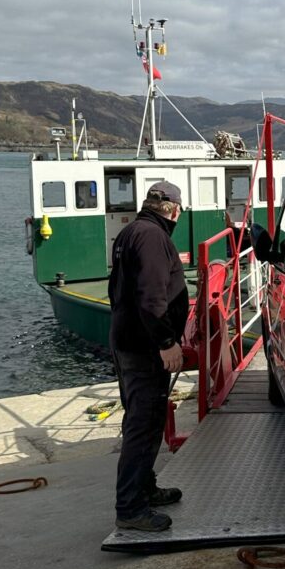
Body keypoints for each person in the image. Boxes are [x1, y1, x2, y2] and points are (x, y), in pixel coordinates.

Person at [108, 181, 189, 531]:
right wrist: (167, 342)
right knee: (145, 424)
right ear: (171, 208)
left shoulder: (130, 233)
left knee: (139, 419)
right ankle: (130, 508)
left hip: (126, 341)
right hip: (144, 348)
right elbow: (152, 297)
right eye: (180, 210)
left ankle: (145, 486)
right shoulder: (154, 238)